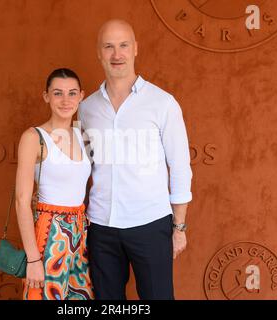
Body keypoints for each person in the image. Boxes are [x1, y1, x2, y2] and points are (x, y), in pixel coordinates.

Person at [78, 19, 193, 300]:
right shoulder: (86, 108)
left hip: (150, 225)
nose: (117, 54)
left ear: (135, 49)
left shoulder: (162, 103)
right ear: (99, 53)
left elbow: (179, 168)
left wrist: (178, 228)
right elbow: (81, 168)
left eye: (123, 45)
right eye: (109, 47)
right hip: (101, 227)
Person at [15, 68, 93, 300]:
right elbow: (21, 200)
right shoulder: (34, 137)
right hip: (50, 233)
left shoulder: (84, 135)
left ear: (81, 96)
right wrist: (33, 258)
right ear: (46, 96)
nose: (66, 100)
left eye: (72, 93)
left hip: (81, 234)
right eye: (58, 93)